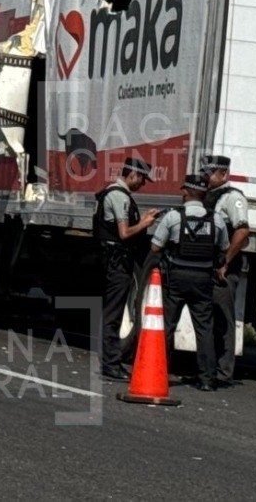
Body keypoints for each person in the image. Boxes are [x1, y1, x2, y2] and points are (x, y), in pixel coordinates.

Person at [151, 174, 229, 392]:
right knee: (204, 328)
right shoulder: (217, 219)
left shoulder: (174, 217)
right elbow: (224, 248)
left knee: (167, 327)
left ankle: (159, 373)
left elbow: (156, 247)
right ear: (204, 193)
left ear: (185, 191)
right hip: (203, 278)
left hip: (176, 277)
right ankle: (207, 379)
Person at [94, 157, 160, 381]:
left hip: (113, 259)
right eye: (142, 179)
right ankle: (111, 364)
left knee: (112, 311)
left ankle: (110, 362)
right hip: (118, 261)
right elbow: (124, 233)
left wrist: (141, 219)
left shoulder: (113, 193)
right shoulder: (119, 196)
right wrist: (144, 223)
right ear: (132, 174)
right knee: (113, 313)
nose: (143, 184)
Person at [202, 154, 251, 386]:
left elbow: (242, 232)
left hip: (224, 269)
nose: (205, 175)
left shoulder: (233, 198)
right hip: (207, 266)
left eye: (210, 172)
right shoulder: (208, 196)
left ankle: (223, 373)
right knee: (207, 319)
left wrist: (225, 262)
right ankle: (208, 370)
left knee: (223, 320)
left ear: (223, 174)